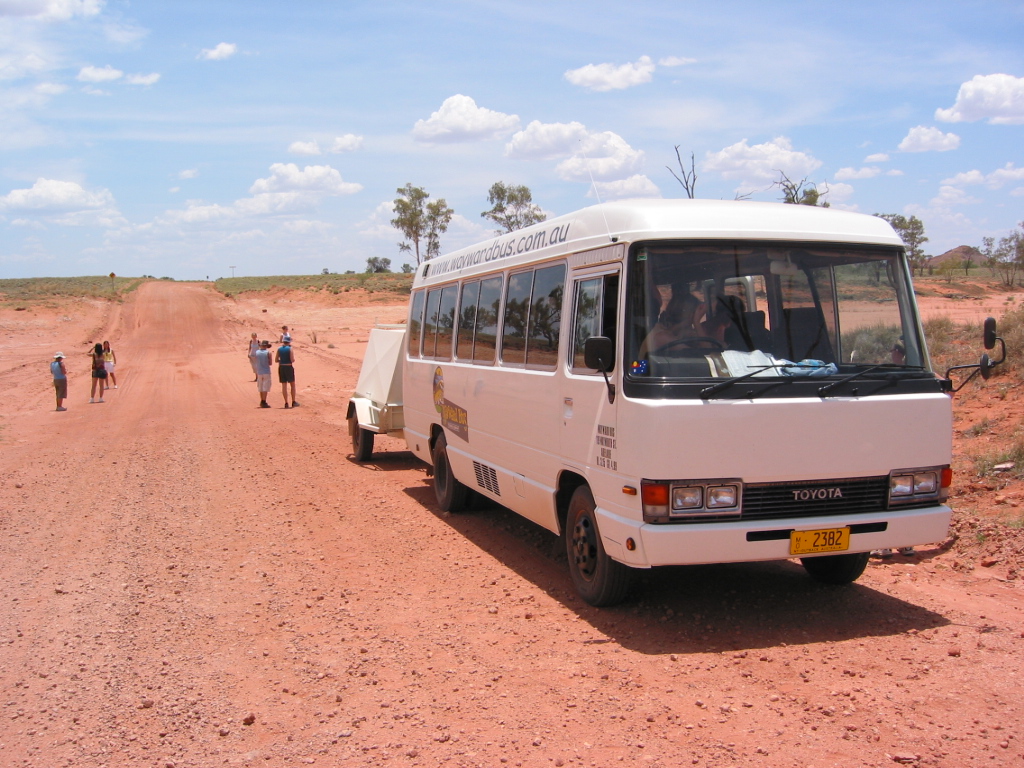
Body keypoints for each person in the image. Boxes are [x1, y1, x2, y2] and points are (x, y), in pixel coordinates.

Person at [275, 336, 298, 408]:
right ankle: (293, 401)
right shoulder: (290, 349)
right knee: (292, 385)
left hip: (281, 367)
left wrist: (281, 360)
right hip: (288, 367)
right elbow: (292, 360)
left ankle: (286, 402)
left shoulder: (279, 349)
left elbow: (276, 360)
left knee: (284, 385)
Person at [254, 340, 273, 408]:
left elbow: (255, 360)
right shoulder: (268, 352)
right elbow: (270, 363)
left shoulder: (257, 352)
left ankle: (262, 400)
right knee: (265, 386)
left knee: (260, 386)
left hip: (259, 371)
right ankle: (264, 401)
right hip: (266, 371)